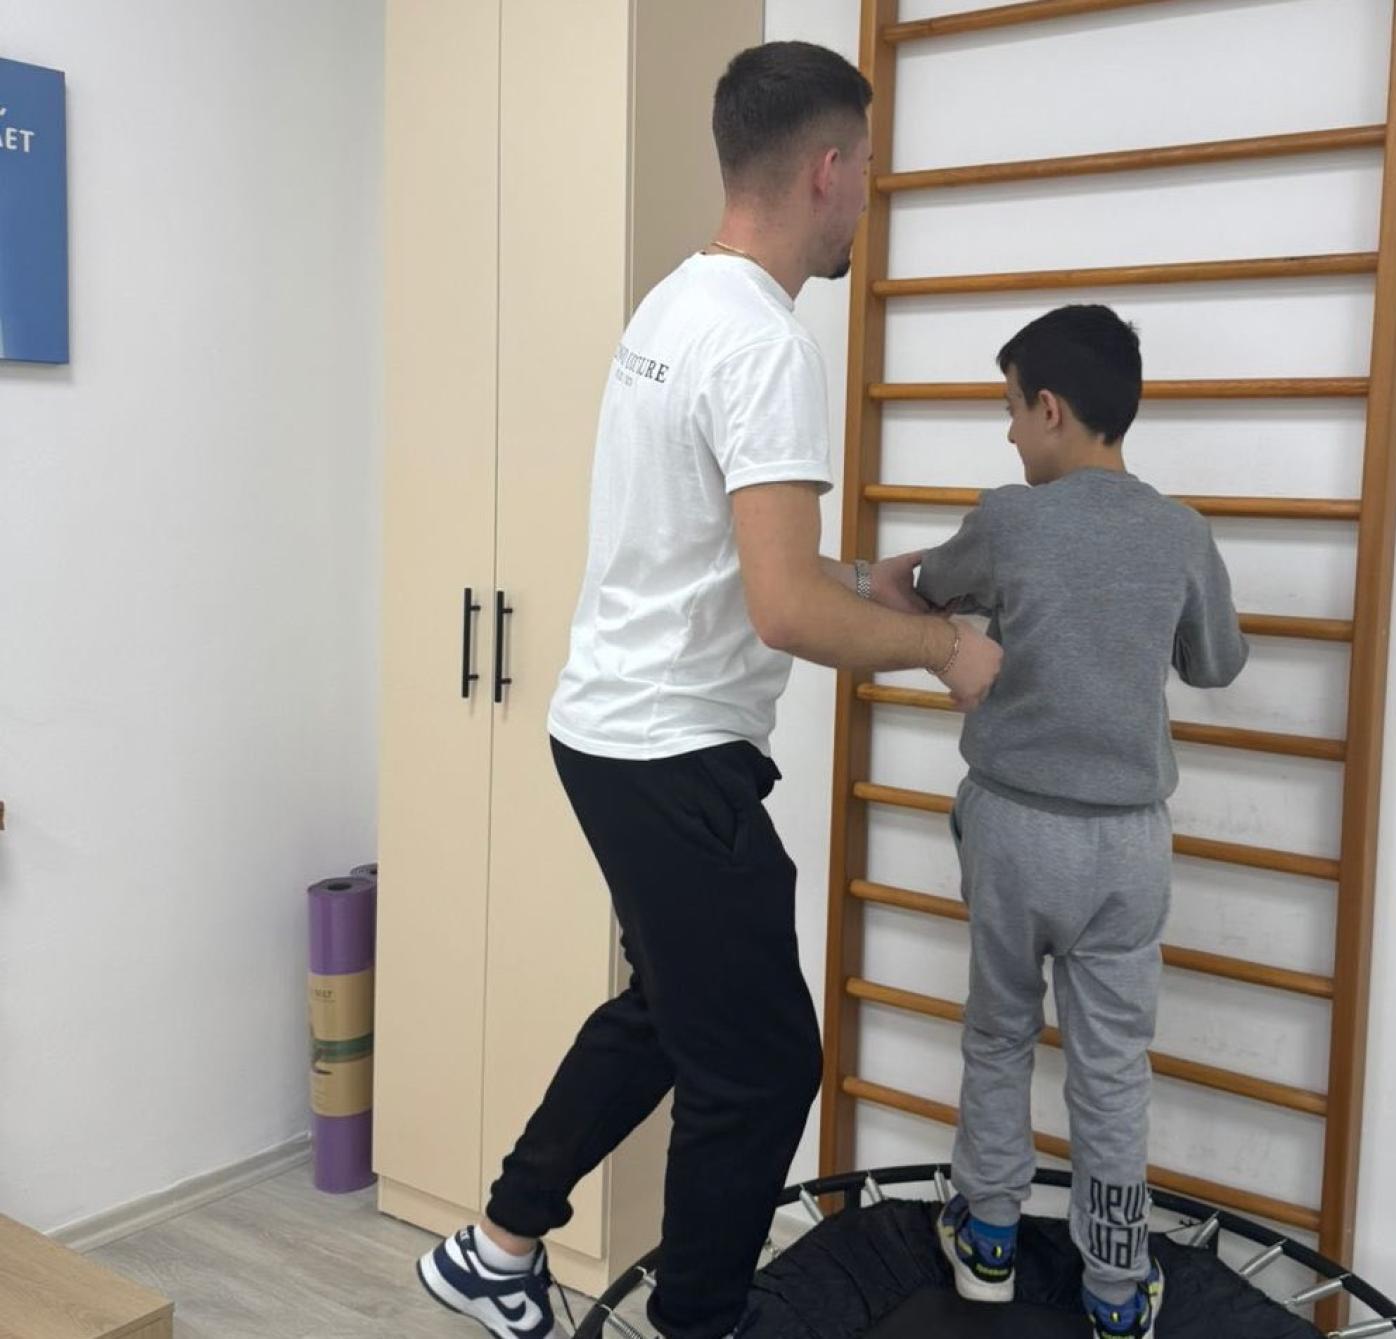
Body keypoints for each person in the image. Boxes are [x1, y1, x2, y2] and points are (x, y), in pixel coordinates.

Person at [416, 40, 1001, 1339]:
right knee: (762, 1063)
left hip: (608, 728)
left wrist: (877, 579)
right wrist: (944, 650)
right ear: (831, 170)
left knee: (673, 1009)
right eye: (870, 175)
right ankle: (698, 1321)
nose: (868, 201)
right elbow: (787, 608)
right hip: (670, 753)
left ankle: (499, 1242)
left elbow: (745, 561)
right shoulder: (767, 345)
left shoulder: (676, 304)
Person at [917, 305, 1249, 1339]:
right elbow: (1215, 663)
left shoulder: (1009, 520)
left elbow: (930, 584)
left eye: (1011, 411)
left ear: (1051, 410)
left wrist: (903, 588)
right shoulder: (1178, 529)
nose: (1009, 434)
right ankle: (1114, 1283)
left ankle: (987, 1242)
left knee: (998, 1031)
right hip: (1124, 847)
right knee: (1110, 1068)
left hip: (1013, 828)